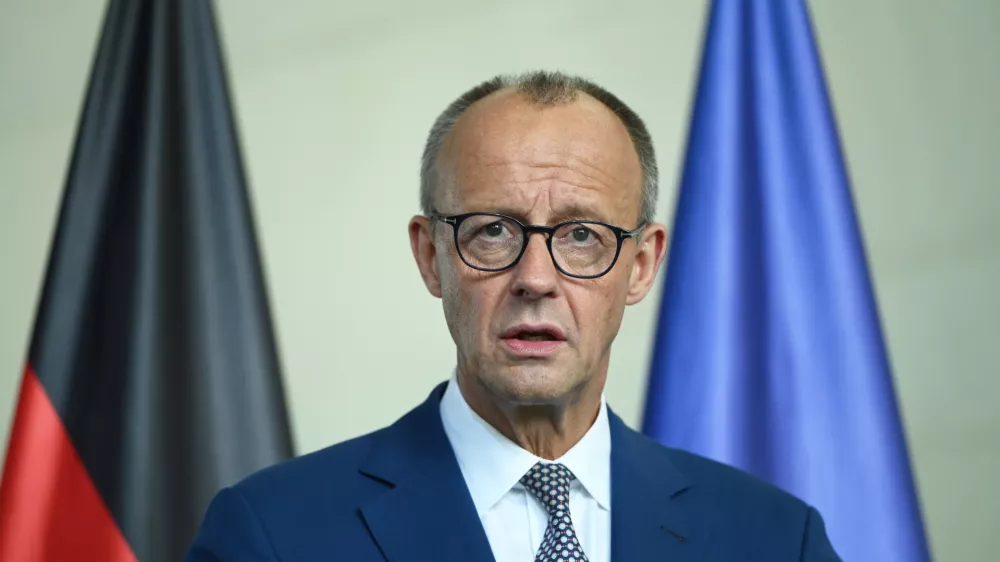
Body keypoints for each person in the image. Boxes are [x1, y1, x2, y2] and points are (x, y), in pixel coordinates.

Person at [186, 71, 842, 561]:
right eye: (493, 231)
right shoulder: (271, 534)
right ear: (430, 256)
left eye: (581, 235)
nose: (535, 279)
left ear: (641, 265)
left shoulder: (779, 540)